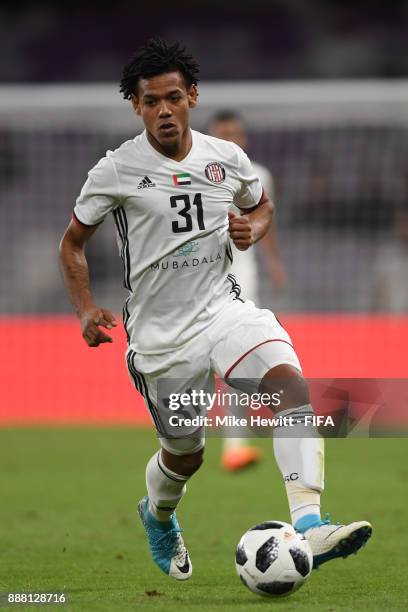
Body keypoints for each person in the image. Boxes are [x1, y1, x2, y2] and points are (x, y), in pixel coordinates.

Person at [59, 38, 372, 581]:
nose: (163, 110)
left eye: (173, 97)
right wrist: (85, 307)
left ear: (193, 97)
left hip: (225, 312)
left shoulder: (226, 158)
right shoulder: (114, 170)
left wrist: (254, 229)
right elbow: (71, 243)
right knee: (185, 458)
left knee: (289, 386)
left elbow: (262, 206)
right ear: (136, 106)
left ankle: (310, 523)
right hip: (161, 339)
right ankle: (157, 515)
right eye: (151, 101)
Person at [208, 110, 287, 472]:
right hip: (200, 276)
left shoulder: (257, 175)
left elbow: (264, 219)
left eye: (235, 134)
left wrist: (272, 261)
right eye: (223, 134)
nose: (230, 140)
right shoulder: (195, 173)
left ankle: (235, 445)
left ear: (244, 139)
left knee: (235, 357)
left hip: (242, 273)